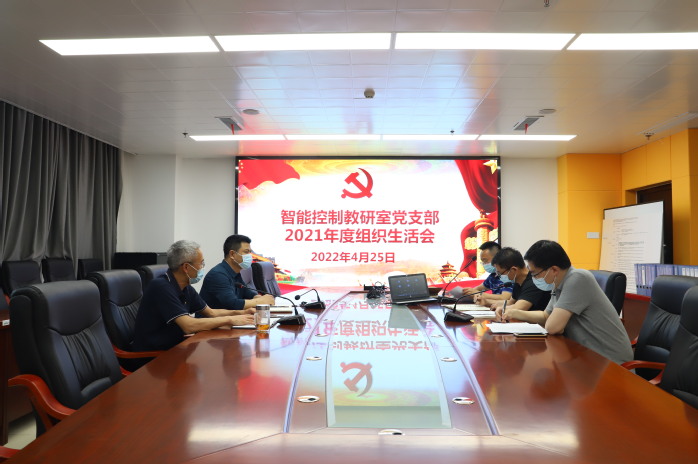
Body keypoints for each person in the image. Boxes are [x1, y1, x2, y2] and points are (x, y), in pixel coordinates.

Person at [496, 240, 633, 365]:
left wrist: (555, 323)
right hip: (585, 355)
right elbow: (546, 316)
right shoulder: (558, 283)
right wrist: (512, 312)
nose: (533, 278)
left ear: (554, 270)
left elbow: (553, 327)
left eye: (535, 274)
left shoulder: (578, 278)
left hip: (609, 362)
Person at [132, 240, 256, 351]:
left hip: (176, 347)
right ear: (186, 267)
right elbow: (188, 326)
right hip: (153, 357)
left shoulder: (185, 287)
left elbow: (211, 312)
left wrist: (242, 313)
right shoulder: (161, 287)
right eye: (201, 263)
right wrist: (230, 320)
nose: (202, 267)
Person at [200, 234, 275, 310]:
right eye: (246, 252)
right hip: (216, 317)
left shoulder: (235, 272)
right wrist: (259, 301)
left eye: (250, 252)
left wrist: (258, 297)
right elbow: (232, 304)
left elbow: (246, 293)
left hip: (232, 316)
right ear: (232, 254)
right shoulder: (218, 275)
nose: (250, 256)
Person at [479, 247, 551, 311]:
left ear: (513, 270)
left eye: (500, 273)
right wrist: (486, 302)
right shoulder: (518, 281)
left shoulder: (533, 282)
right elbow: (510, 302)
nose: (499, 276)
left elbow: (519, 307)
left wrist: (501, 308)